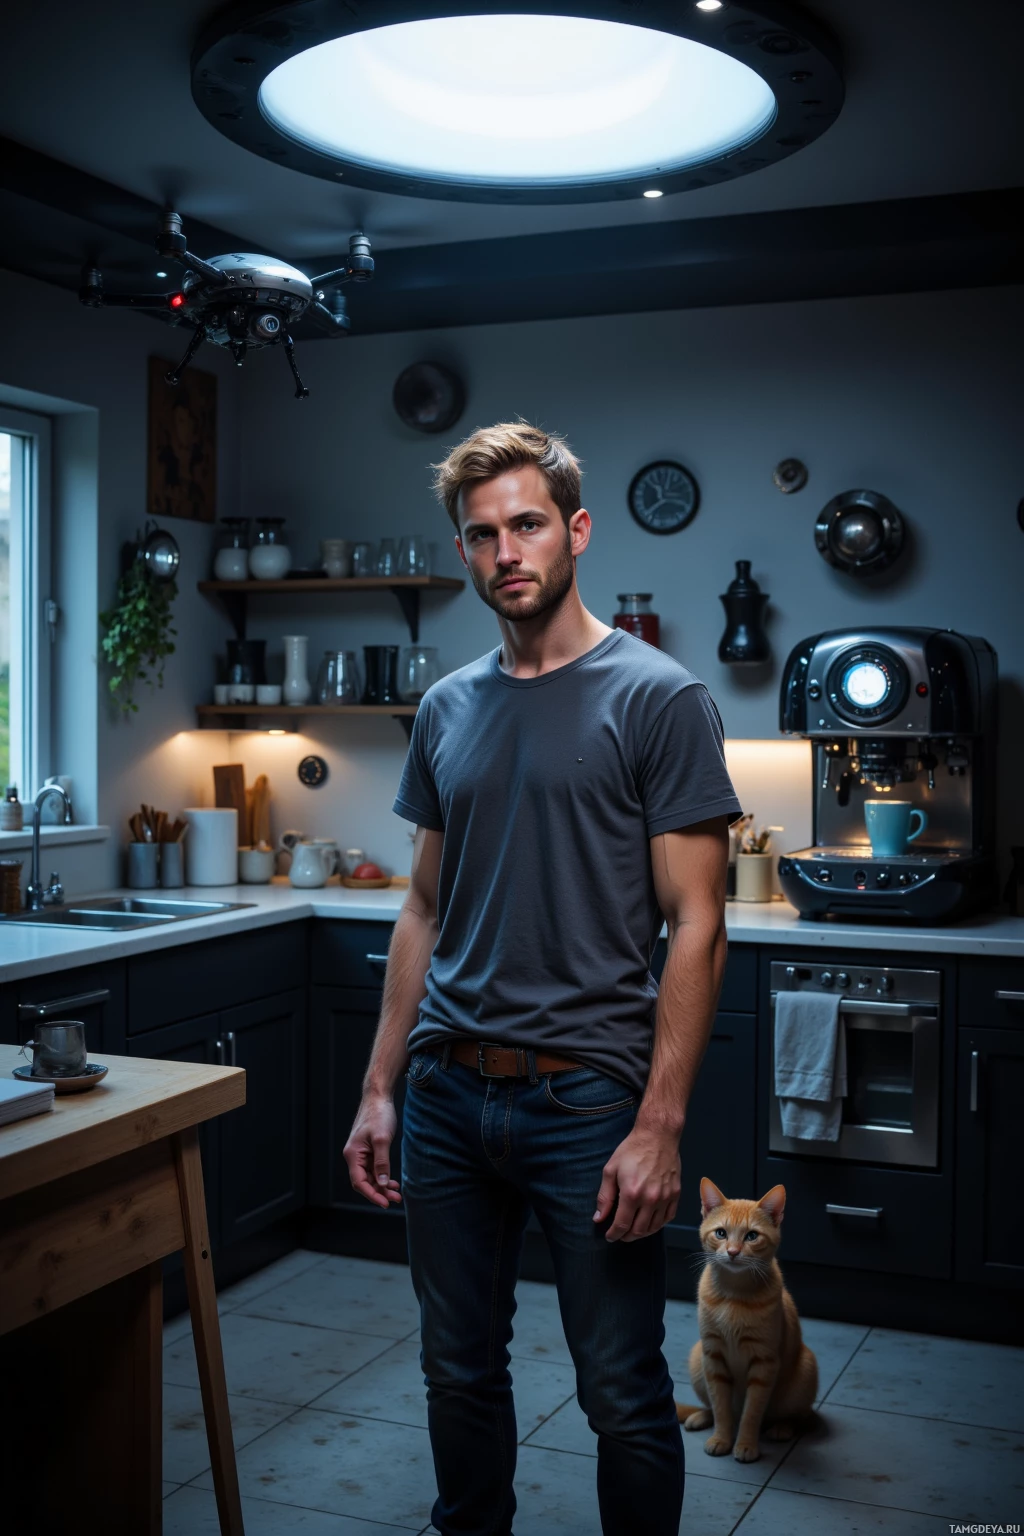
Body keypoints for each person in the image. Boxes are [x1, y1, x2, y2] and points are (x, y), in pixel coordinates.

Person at [343, 422, 743, 1536]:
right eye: (481, 535)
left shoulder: (659, 698)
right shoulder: (446, 707)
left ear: (574, 531)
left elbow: (697, 923)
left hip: (585, 1105)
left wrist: (659, 1124)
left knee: (620, 1396)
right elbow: (423, 906)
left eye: (526, 525)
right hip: (446, 1097)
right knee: (456, 1375)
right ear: (463, 552)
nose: (505, 551)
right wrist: (383, 1087)